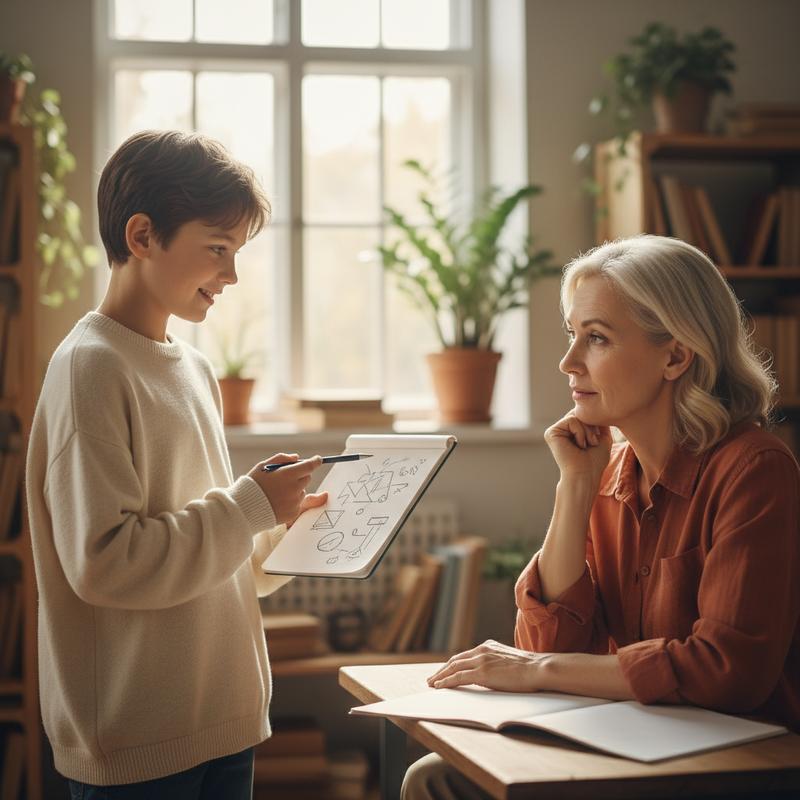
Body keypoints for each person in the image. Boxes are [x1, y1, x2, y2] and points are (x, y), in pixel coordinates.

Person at [402, 234, 800, 799]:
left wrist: (534, 672)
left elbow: (726, 669)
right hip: (642, 739)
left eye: (597, 338)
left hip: (740, 763)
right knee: (436, 779)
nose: (568, 362)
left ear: (675, 355)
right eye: (573, 335)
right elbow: (550, 644)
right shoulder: (610, 468)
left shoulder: (754, 468)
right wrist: (577, 484)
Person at [25, 130, 329, 799]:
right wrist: (250, 506)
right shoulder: (90, 368)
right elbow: (107, 560)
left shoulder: (191, 368)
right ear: (141, 236)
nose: (231, 276)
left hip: (225, 722)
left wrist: (295, 529)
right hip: (138, 744)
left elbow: (210, 555)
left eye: (236, 253)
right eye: (217, 250)